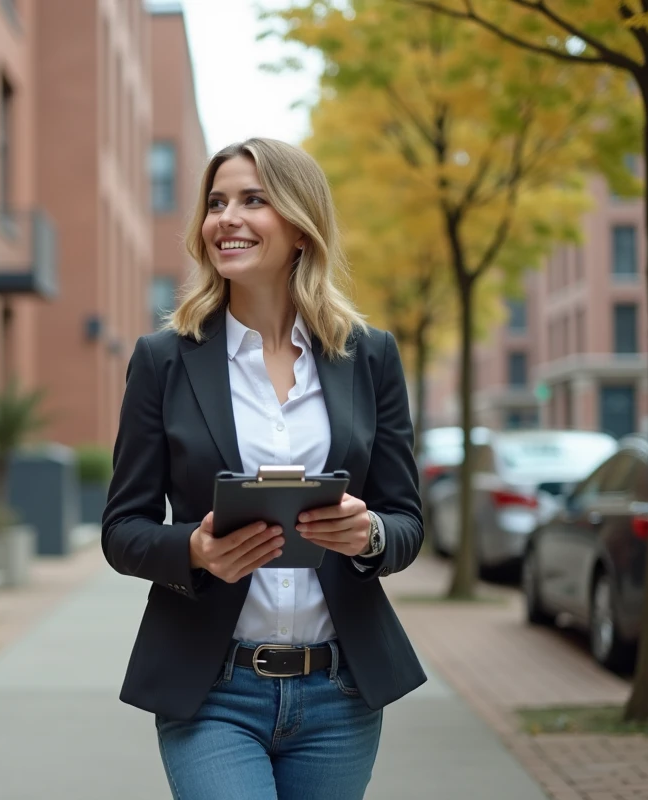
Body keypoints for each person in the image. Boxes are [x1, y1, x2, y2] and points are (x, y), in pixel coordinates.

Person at [101, 137, 427, 800]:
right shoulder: (164, 361)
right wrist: (192, 550)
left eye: (254, 200)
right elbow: (121, 528)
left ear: (302, 227)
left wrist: (369, 537)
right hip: (211, 688)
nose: (227, 217)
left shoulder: (369, 357)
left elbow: (406, 521)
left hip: (340, 693)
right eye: (215, 203)